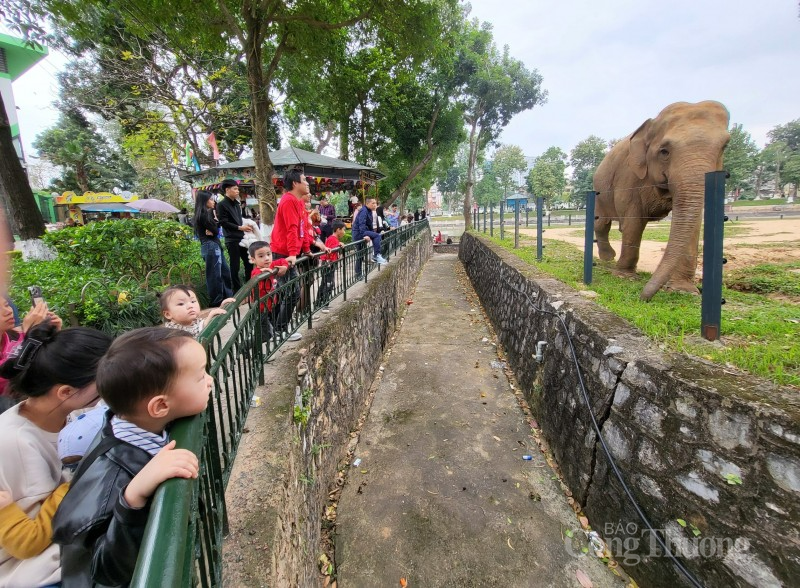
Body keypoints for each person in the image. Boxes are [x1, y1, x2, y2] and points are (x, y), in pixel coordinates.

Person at [52, 328, 210, 587]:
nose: (208, 380)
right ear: (159, 406)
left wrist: (197, 390)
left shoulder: (130, 421)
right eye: (201, 375)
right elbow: (104, 570)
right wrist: (132, 499)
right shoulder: (115, 475)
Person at [0, 321, 112, 588]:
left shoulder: (70, 415)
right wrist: (79, 479)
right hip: (33, 571)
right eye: (104, 382)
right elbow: (29, 541)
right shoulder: (17, 443)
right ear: (65, 392)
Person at [270, 168, 329, 342]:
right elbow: (292, 229)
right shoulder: (288, 201)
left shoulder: (297, 203)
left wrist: (306, 250)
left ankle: (274, 328)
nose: (307, 184)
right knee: (292, 291)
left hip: (290, 252)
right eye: (304, 180)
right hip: (283, 253)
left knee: (287, 291)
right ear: (295, 183)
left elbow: (302, 230)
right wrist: (294, 254)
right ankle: (279, 330)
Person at [1, 300, 60, 414]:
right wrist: (29, 336)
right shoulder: (21, 335)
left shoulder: (14, 336)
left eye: (7, 305)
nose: (8, 311)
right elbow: (7, 375)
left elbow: (43, 362)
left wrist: (53, 334)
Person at [193, 190, 234, 308]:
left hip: (214, 245)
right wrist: (215, 226)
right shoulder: (203, 214)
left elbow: (215, 229)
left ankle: (227, 297)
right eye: (211, 199)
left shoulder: (208, 213)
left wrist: (215, 224)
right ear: (204, 201)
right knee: (215, 275)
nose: (213, 201)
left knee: (224, 272)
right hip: (210, 246)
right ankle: (217, 301)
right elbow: (216, 230)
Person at [216, 179, 254, 292]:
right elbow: (223, 222)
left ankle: (249, 287)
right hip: (231, 239)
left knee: (248, 262)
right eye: (235, 189)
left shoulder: (237, 204)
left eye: (237, 189)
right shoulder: (221, 205)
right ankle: (237, 290)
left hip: (242, 237)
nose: (237, 191)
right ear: (227, 190)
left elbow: (240, 220)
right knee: (235, 265)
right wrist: (239, 228)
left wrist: (247, 225)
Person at [248, 242, 289, 340]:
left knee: (266, 329)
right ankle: (246, 347)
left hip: (268, 306)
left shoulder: (270, 265)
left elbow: (282, 260)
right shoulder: (256, 273)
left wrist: (285, 266)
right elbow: (255, 281)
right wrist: (261, 274)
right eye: (261, 256)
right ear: (253, 259)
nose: (266, 258)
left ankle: (269, 337)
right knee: (264, 334)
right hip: (260, 309)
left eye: (268, 254)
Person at [159, 285, 234, 338]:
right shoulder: (171, 333)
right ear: (168, 314)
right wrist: (209, 319)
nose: (190, 306)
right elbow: (195, 336)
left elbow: (210, 325)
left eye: (193, 301)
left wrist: (222, 308)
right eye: (181, 304)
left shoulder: (194, 321)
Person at [352, 197, 388, 278]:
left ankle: (359, 273)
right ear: (367, 203)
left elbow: (370, 225)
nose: (375, 205)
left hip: (363, 231)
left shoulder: (369, 211)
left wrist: (371, 233)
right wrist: (365, 235)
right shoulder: (363, 211)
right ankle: (376, 256)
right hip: (359, 233)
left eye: (375, 203)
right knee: (359, 255)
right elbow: (361, 224)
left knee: (361, 254)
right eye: (373, 203)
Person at [316, 220, 345, 311]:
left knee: (324, 283)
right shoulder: (332, 239)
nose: (344, 232)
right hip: (328, 264)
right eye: (343, 230)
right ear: (338, 230)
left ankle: (319, 303)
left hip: (329, 263)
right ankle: (324, 304)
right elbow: (330, 251)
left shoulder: (333, 239)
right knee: (329, 284)